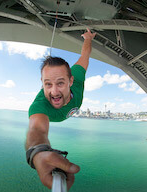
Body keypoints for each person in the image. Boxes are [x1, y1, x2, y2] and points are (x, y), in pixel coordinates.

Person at [25, 28, 96, 190]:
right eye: (48, 84)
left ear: (71, 81)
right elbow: (37, 129)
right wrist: (37, 152)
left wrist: (88, 38)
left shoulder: (77, 77)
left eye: (60, 83)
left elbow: (85, 55)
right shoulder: (39, 106)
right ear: (42, 83)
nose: (54, 92)